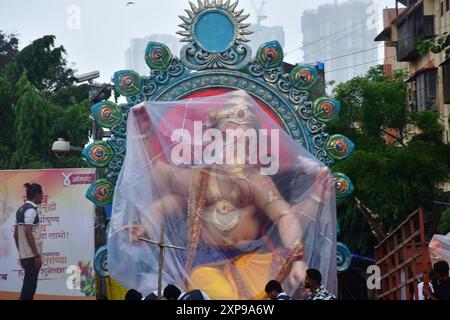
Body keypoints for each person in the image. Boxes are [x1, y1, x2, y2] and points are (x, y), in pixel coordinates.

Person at [107, 91, 337, 300]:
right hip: (207, 264)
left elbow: (285, 217)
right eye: (231, 138)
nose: (240, 146)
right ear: (216, 140)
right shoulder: (198, 179)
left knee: (277, 288)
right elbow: (157, 175)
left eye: (247, 140)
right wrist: (145, 134)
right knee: (218, 295)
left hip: (255, 260)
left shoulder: (257, 181)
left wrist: (298, 259)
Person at [13, 183, 44, 300]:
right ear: (37, 195)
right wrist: (36, 254)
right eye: (41, 195)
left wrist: (21, 252)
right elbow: (28, 232)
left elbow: (15, 234)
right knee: (30, 286)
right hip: (32, 256)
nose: (42, 198)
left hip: (25, 255)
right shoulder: (31, 210)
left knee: (28, 285)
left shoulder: (20, 210)